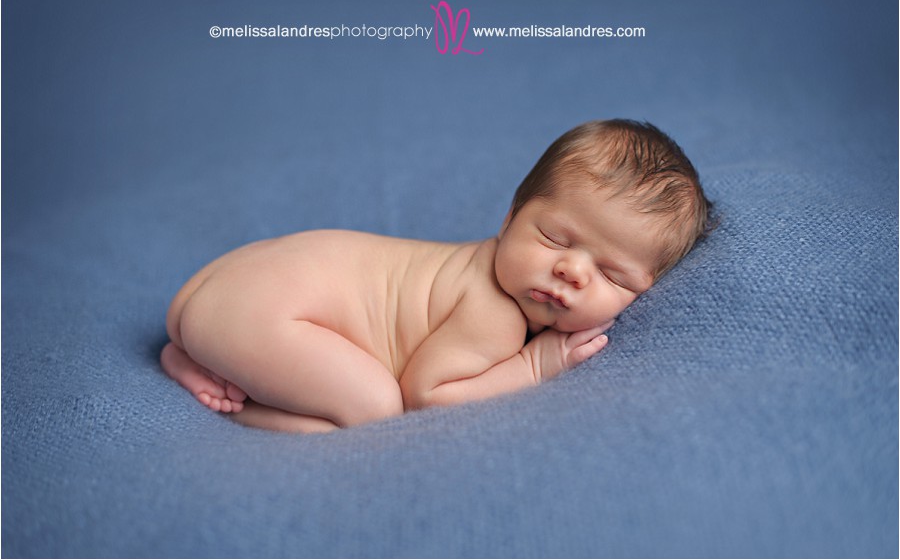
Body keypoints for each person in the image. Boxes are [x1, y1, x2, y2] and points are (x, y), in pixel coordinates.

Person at [160, 119, 712, 433]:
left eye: (612, 274)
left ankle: (192, 349)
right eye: (554, 239)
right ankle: (239, 403)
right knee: (373, 410)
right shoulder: (493, 312)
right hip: (255, 310)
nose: (570, 270)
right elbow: (427, 394)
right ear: (509, 219)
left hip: (229, 288)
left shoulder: (479, 269)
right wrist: (534, 364)